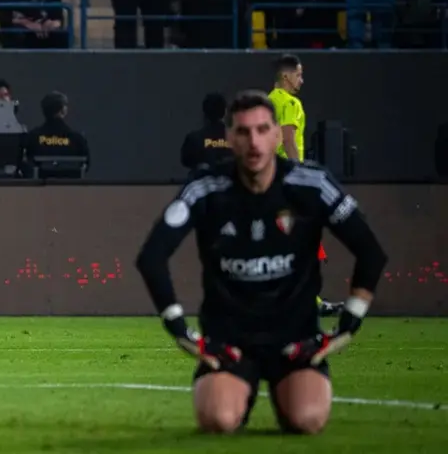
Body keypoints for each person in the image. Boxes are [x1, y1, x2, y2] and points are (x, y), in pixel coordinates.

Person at [134, 90, 388, 435]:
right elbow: (151, 257)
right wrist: (182, 332)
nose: (253, 142)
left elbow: (371, 252)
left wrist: (348, 325)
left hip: (295, 344)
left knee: (307, 419)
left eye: (262, 129)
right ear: (229, 138)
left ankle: (288, 391)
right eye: (243, 131)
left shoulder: (311, 183)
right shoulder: (206, 188)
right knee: (218, 419)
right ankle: (237, 390)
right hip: (230, 346)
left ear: (277, 134)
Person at [266, 54, 342, 316]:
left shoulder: (265, 102)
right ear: (286, 76)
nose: (301, 79)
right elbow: (288, 137)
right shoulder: (290, 103)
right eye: (298, 74)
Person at [180, 92, 231, 173]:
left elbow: (186, 161)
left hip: (202, 182)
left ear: (204, 112)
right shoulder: (236, 139)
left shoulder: (193, 139)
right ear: (225, 112)